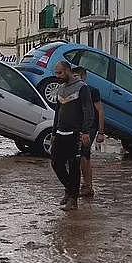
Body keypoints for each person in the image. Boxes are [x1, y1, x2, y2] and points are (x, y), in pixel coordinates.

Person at [50, 61, 94, 211]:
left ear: (68, 71)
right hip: (60, 132)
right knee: (56, 163)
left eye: (60, 73)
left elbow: (88, 111)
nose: (57, 76)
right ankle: (70, 189)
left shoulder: (82, 88)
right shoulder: (60, 89)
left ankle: (73, 200)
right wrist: (54, 132)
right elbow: (57, 112)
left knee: (74, 166)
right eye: (56, 73)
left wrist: (86, 131)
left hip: (75, 134)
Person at [73, 66, 105, 198]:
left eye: (77, 77)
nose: (75, 79)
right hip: (77, 127)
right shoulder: (72, 91)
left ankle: (88, 186)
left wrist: (101, 132)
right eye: (73, 76)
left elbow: (100, 111)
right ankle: (83, 186)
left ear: (84, 77)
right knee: (79, 157)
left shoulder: (92, 91)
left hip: (90, 127)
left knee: (84, 156)